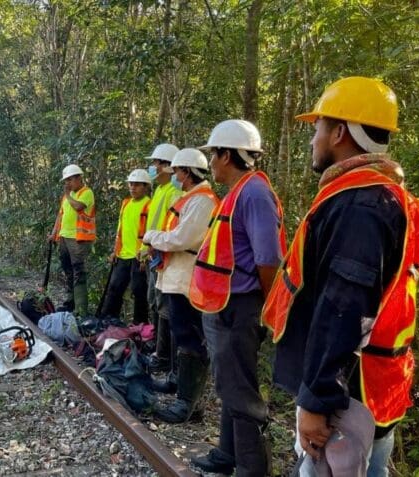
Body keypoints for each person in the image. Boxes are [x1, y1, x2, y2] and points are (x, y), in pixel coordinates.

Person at [261, 77, 419, 476]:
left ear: (339, 132)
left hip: (345, 400)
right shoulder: (384, 197)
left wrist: (318, 399)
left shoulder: (359, 206)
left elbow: (344, 307)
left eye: (318, 127)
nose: (312, 139)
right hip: (371, 389)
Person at [189, 120, 286, 476]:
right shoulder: (238, 190)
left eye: (213, 154)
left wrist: (260, 307)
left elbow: (268, 259)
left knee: (241, 391)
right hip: (224, 305)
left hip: (240, 306)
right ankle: (228, 455)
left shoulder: (254, 194)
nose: (211, 162)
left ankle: (251, 468)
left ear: (227, 154)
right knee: (229, 382)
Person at [142, 148, 218, 423]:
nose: (173, 175)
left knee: (189, 336)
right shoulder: (191, 199)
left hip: (188, 277)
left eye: (176, 171)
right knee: (179, 333)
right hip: (177, 274)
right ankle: (178, 384)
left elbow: (181, 238)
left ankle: (188, 404)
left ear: (186, 172)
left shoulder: (203, 201)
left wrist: (153, 237)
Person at [138, 143, 182, 372]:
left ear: (167, 166)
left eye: (156, 163)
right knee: (154, 303)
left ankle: (164, 357)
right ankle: (158, 349)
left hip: (164, 258)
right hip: (154, 255)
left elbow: (172, 229)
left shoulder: (174, 193)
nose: (153, 167)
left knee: (164, 307)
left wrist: (154, 248)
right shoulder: (160, 191)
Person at [99, 169, 151, 323]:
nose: (133, 188)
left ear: (146, 186)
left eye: (137, 185)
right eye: (131, 184)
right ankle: (109, 321)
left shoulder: (149, 204)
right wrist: (115, 251)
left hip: (138, 256)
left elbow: (150, 231)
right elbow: (120, 229)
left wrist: (144, 256)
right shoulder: (126, 203)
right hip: (122, 254)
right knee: (115, 288)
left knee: (139, 292)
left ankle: (140, 325)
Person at [50, 164, 96, 318]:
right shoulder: (67, 196)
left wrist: (68, 195)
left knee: (78, 272)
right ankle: (71, 303)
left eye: (70, 179)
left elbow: (78, 207)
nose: (67, 183)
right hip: (64, 237)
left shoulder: (86, 193)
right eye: (66, 180)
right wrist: (54, 233)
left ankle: (81, 309)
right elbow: (60, 215)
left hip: (78, 240)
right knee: (68, 271)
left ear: (78, 178)